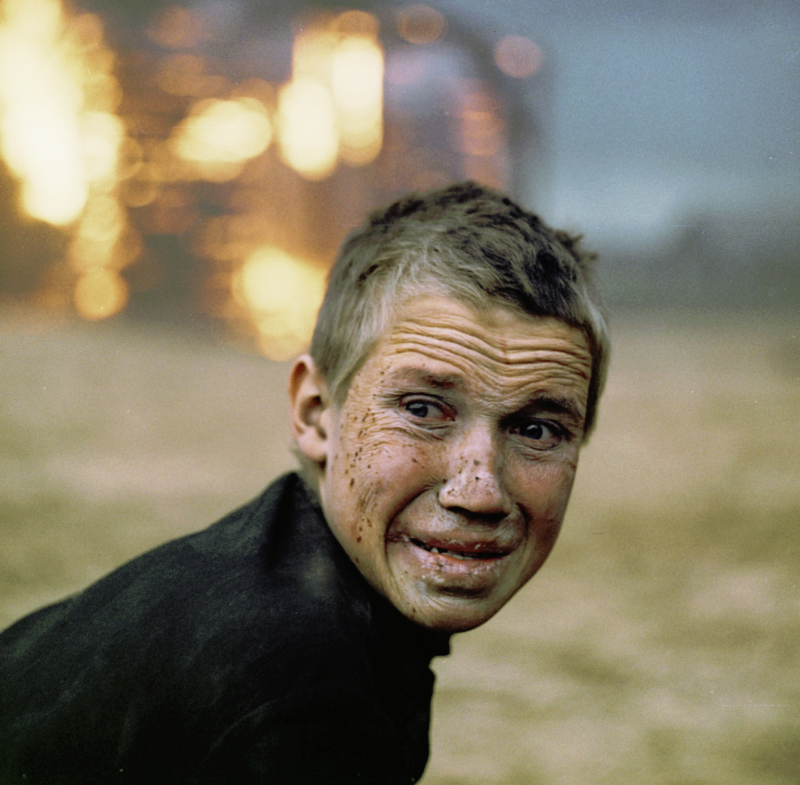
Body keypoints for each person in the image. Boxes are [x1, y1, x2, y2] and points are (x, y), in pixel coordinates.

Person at [0, 181, 609, 784]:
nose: (478, 491)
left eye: (537, 429)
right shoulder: (299, 687)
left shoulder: (264, 575)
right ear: (316, 413)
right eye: (423, 410)